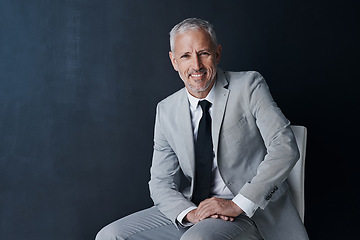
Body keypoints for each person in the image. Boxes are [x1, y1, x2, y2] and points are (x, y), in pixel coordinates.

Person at [96, 18, 309, 240]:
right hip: (195, 209)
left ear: (217, 54)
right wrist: (190, 213)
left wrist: (236, 205)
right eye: (186, 56)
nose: (196, 65)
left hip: (248, 212)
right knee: (110, 236)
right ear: (174, 61)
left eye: (204, 53)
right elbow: (161, 182)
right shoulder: (166, 110)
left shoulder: (249, 86)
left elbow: (285, 147)